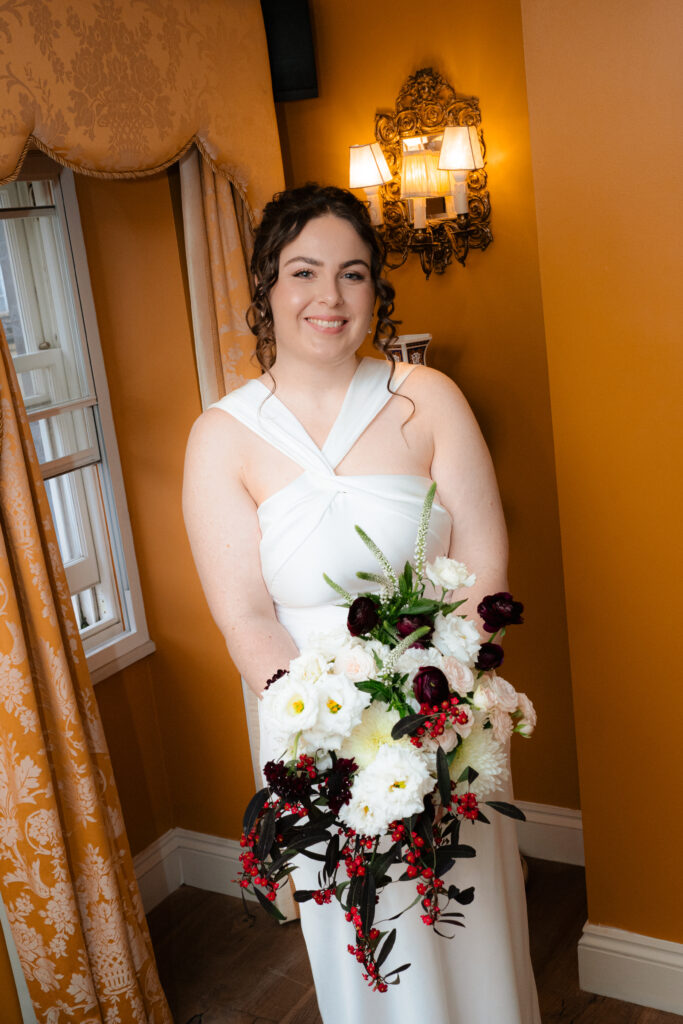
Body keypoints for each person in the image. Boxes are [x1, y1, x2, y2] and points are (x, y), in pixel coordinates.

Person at [183, 184, 541, 1023]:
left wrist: (437, 706)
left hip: (442, 708)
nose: (328, 297)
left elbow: (484, 564)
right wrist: (329, 730)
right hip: (316, 731)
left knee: (472, 922)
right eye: (303, 272)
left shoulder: (429, 398)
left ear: (374, 288)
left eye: (351, 274)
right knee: (370, 948)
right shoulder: (222, 436)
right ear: (267, 286)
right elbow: (244, 613)